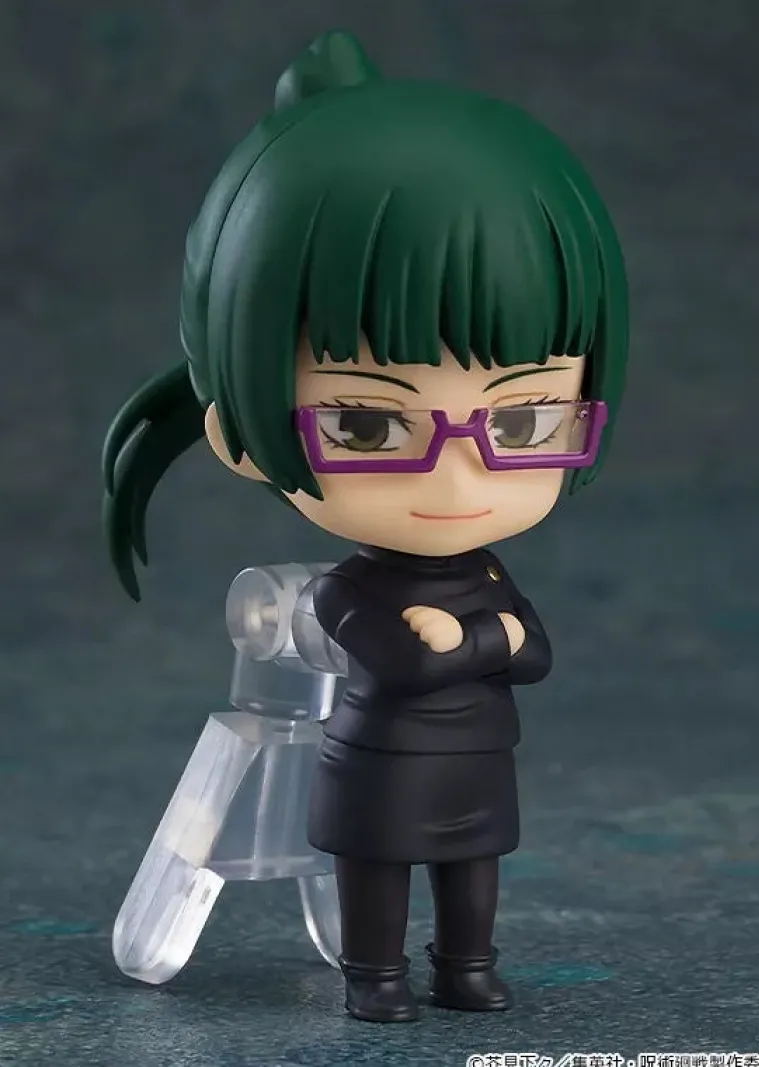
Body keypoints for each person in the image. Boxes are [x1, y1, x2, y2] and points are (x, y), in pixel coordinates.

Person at [102, 29, 629, 1023]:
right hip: (377, 773)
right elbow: (402, 658)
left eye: (521, 422)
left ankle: (466, 965)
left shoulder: (484, 575)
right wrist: (486, 639)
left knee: (473, 875)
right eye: (368, 425)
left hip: (478, 766)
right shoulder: (348, 588)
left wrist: (475, 640)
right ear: (239, 435)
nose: (458, 470)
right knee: (376, 878)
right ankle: (373, 976)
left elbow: (532, 653)